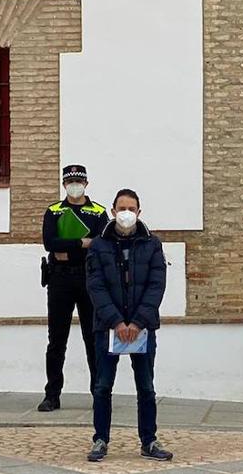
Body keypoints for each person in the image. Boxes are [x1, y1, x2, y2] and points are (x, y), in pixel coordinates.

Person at [85, 188, 173, 462]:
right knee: (102, 386)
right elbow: (95, 286)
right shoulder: (99, 245)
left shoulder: (152, 243)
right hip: (107, 327)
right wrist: (116, 322)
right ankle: (100, 439)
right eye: (121, 208)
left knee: (146, 387)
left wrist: (136, 322)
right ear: (112, 211)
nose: (126, 213)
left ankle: (149, 440)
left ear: (138, 212)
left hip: (142, 327)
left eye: (131, 209)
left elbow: (156, 285)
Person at [38, 164, 108, 412]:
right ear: (64, 184)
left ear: (86, 184)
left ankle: (99, 392)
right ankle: (52, 394)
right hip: (59, 280)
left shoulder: (98, 212)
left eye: (79, 181)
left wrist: (68, 248)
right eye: (70, 182)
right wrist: (81, 242)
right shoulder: (54, 211)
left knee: (93, 338)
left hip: (89, 280)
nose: (74, 186)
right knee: (57, 340)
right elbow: (50, 243)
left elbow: (101, 243)